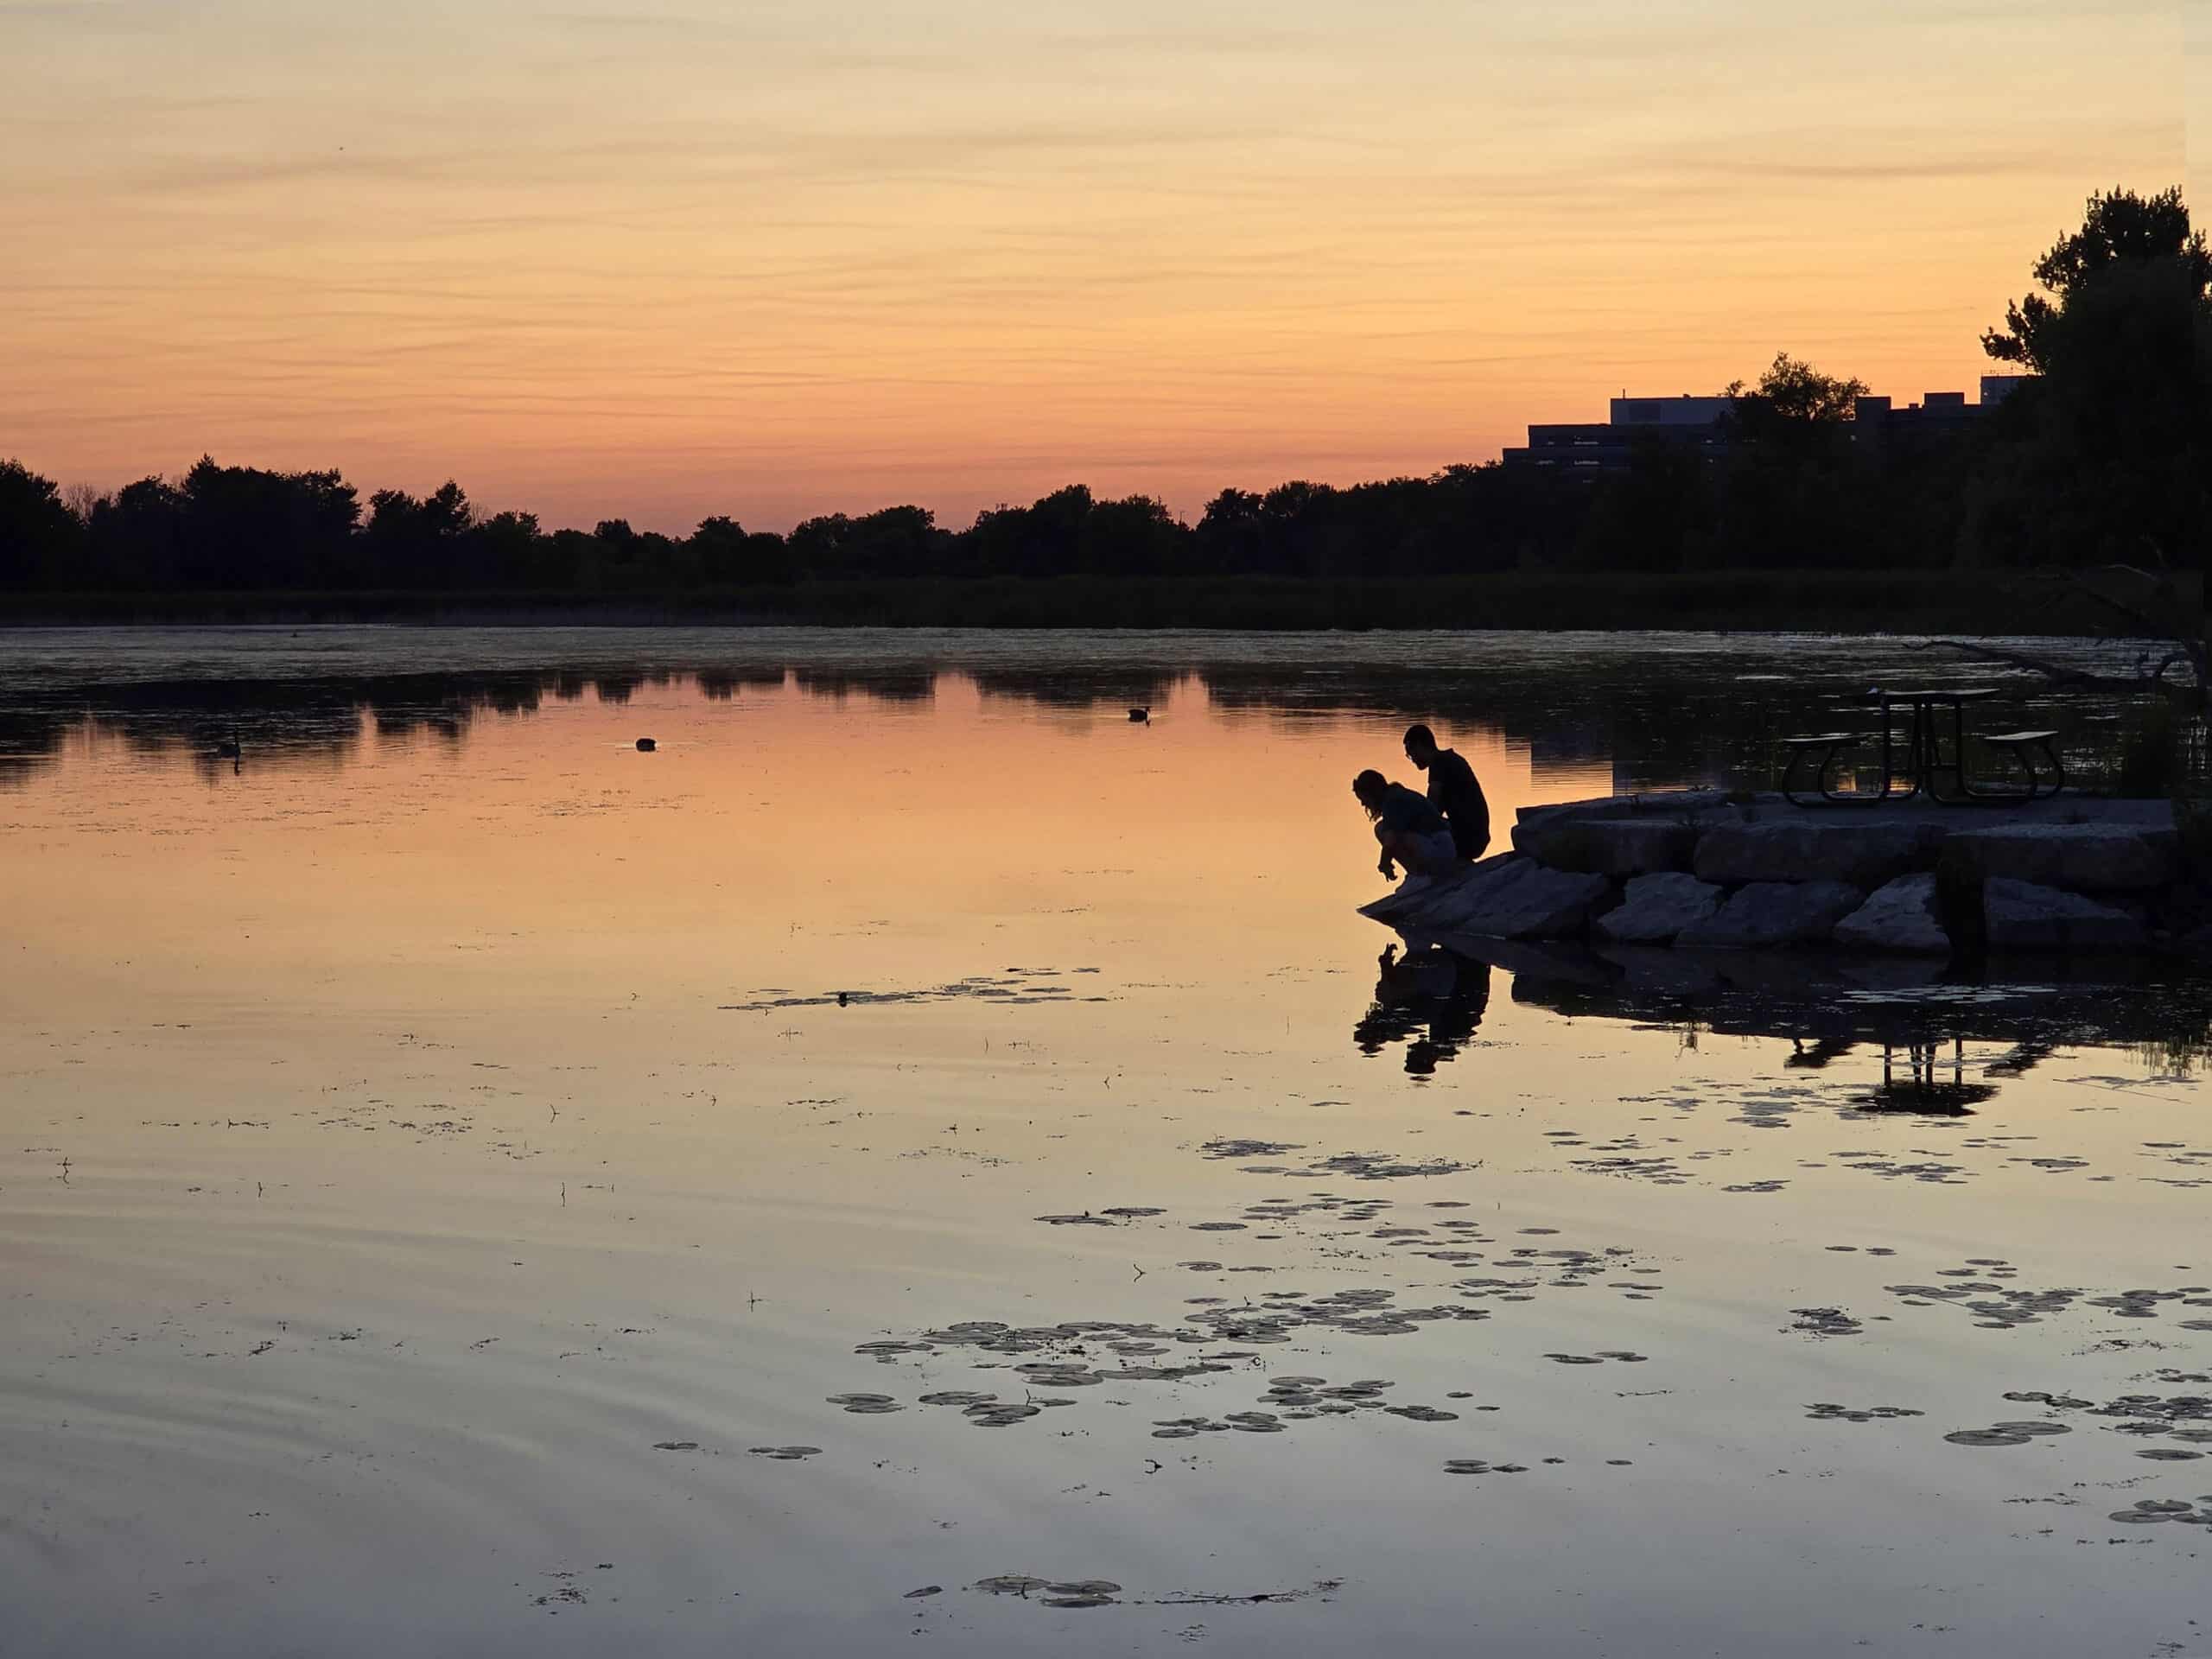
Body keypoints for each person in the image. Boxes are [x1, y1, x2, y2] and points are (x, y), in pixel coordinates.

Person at [1351, 768, 1456, 885]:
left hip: (1441, 851)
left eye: (1364, 799)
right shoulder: (1395, 795)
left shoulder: (1392, 801)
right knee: (1383, 827)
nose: (1363, 804)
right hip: (1442, 847)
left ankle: (1418, 876)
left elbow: (1391, 840)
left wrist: (1384, 863)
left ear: (1373, 793)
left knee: (1385, 832)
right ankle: (1419, 874)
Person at [1402, 723, 1490, 861]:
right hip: (1476, 837)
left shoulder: (1439, 763)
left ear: (1419, 745)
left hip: (1469, 839)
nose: (1412, 758)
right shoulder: (1447, 760)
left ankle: (1422, 873)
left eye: (1410, 752)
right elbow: (1436, 810)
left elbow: (1431, 807)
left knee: (1406, 833)